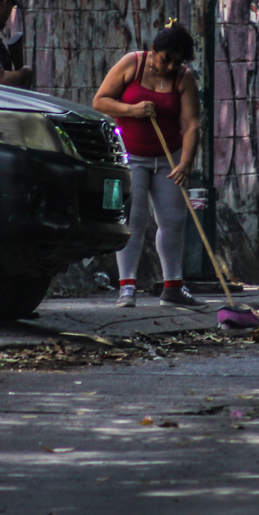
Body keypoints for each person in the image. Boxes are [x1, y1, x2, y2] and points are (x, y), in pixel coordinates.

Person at [93, 22, 203, 308]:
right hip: (131, 156)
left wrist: (186, 163)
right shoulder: (133, 64)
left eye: (178, 62)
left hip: (169, 158)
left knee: (173, 221)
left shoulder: (184, 79)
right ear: (154, 50)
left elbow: (191, 124)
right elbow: (100, 101)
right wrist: (133, 110)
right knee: (133, 220)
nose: (170, 66)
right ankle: (127, 287)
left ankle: (173, 287)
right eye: (166, 58)